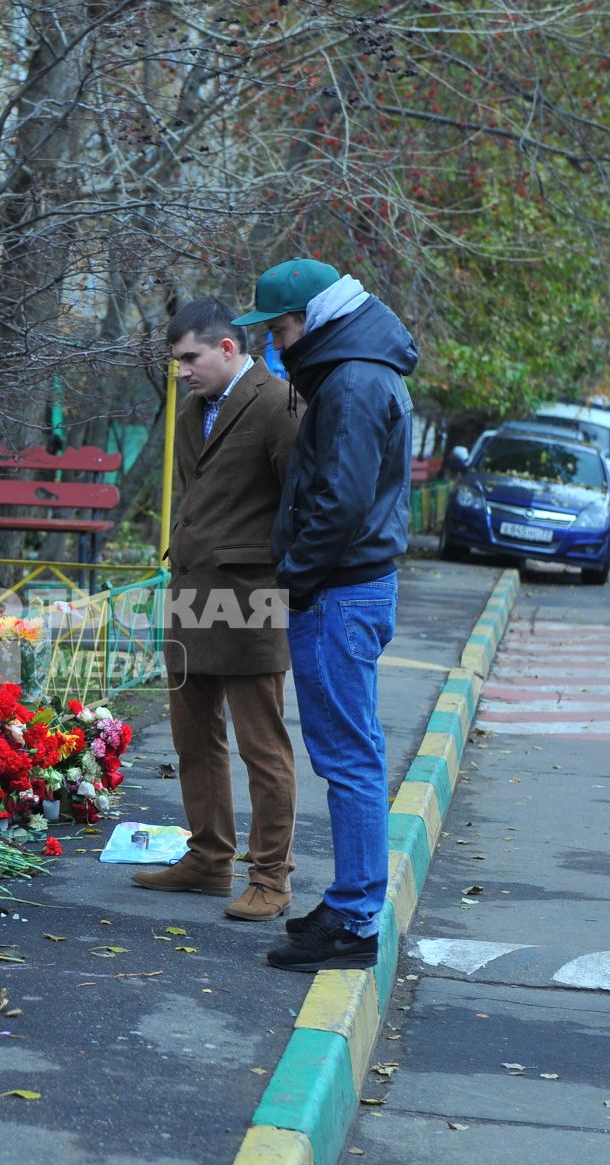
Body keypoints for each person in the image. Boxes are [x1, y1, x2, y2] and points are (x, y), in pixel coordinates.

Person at [233, 258, 416, 973]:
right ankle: (349, 904)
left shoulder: (352, 381)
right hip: (348, 587)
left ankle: (356, 920)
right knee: (351, 755)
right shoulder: (355, 371)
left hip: (339, 590)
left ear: (311, 319)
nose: (274, 344)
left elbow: (340, 502)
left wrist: (296, 578)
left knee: (349, 760)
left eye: (277, 329)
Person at [140, 298, 301, 923]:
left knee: (263, 745)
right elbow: (197, 494)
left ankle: (271, 875)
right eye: (177, 360)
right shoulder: (193, 408)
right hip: (191, 594)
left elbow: (302, 504)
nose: (182, 371)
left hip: (253, 597)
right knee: (193, 738)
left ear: (227, 348)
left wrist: (285, 579)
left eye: (190, 358)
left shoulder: (278, 404)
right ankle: (209, 860)